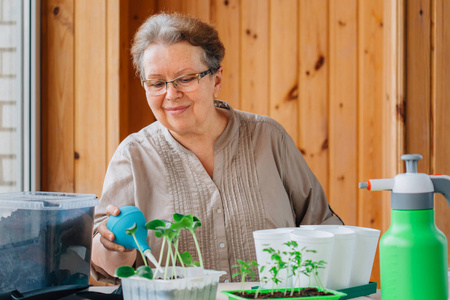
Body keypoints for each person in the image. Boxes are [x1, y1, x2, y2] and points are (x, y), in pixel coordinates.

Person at [91, 13, 343, 284]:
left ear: (217, 80)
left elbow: (323, 226)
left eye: (186, 78)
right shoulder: (133, 155)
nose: (171, 94)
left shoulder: (267, 137)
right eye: (156, 83)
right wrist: (111, 246)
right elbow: (105, 268)